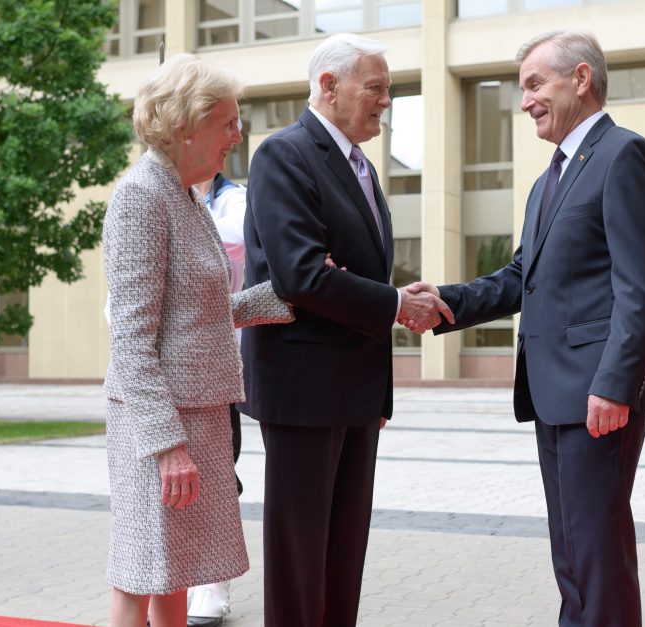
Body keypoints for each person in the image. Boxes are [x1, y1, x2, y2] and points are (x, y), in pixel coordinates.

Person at [407, 31, 645, 626]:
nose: (526, 100)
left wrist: (616, 384)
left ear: (581, 79)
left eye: (535, 84)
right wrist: (446, 301)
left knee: (597, 550)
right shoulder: (548, 182)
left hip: (597, 395)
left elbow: (640, 288)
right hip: (553, 392)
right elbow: (522, 277)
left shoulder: (625, 156)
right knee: (571, 549)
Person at [240, 33, 452, 627]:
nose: (387, 100)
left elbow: (346, 272)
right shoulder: (283, 154)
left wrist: (383, 314)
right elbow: (302, 273)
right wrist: (393, 304)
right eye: (376, 88)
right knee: (300, 558)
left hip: (355, 393)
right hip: (304, 391)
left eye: (390, 90)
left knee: (343, 558)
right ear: (329, 87)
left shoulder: (360, 165)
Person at [102, 54, 293, 627]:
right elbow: (133, 339)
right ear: (186, 125)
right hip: (159, 423)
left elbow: (194, 314)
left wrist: (279, 298)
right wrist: (167, 446)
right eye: (228, 122)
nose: (238, 135)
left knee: (174, 573)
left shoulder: (183, 194)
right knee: (140, 574)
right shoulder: (142, 196)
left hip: (196, 415)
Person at [182, 172, 246, 626]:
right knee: (169, 485)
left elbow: (241, 242)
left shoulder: (237, 202)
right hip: (172, 368)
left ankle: (211, 587)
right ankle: (173, 585)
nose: (235, 135)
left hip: (222, 368)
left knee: (217, 478)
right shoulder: (155, 195)